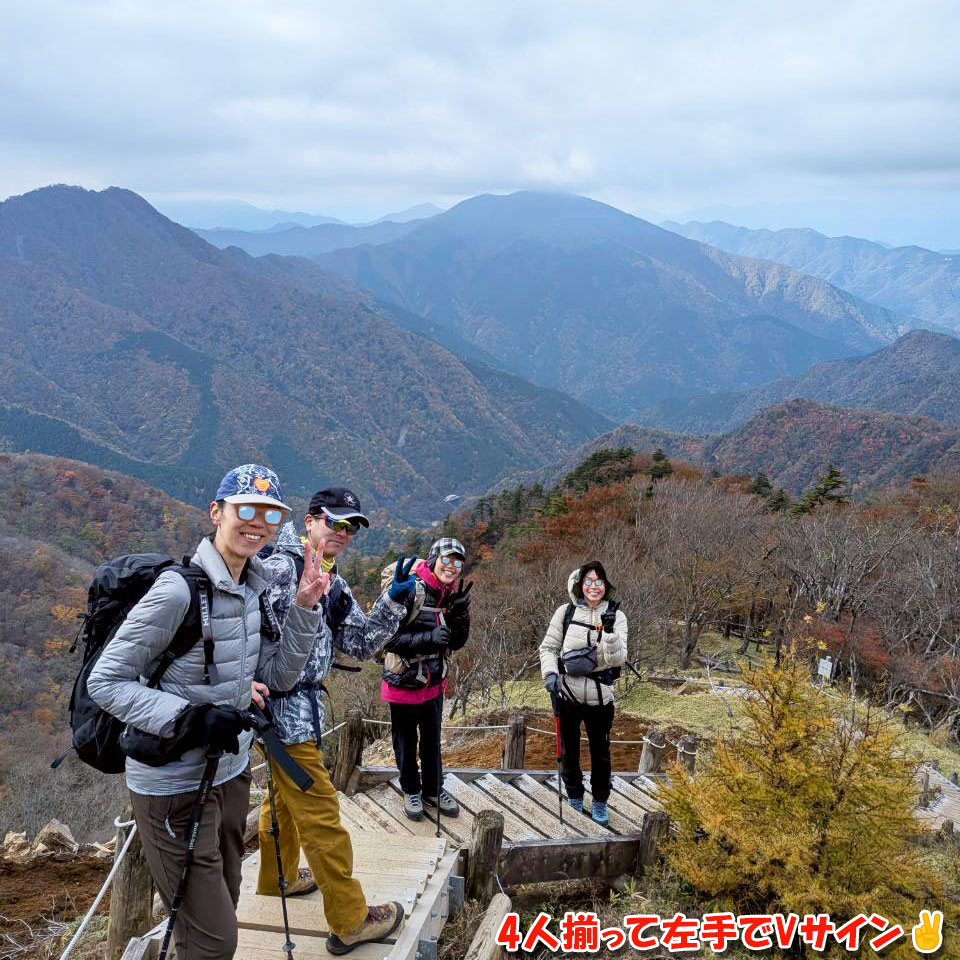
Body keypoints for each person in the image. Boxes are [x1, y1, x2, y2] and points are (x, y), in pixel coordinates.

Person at [88, 464, 326, 960]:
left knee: (216, 912)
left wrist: (305, 606)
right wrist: (194, 718)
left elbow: (277, 679)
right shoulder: (178, 592)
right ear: (217, 512)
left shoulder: (252, 589)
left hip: (230, 773)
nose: (256, 522)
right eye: (246, 509)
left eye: (269, 513)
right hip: (174, 786)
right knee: (217, 940)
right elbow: (105, 682)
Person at [256, 487, 412, 955]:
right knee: (321, 815)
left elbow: (362, 643)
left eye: (350, 527)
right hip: (282, 712)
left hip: (294, 712)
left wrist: (394, 601)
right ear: (310, 520)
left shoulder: (330, 578)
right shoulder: (281, 569)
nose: (342, 533)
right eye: (334, 523)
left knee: (283, 798)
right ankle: (350, 919)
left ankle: (277, 875)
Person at [380, 538, 472, 821]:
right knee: (406, 743)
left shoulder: (450, 595)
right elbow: (386, 637)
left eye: (458, 562)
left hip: (433, 682)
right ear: (433, 559)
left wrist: (461, 617)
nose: (452, 566)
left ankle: (433, 789)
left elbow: (455, 643)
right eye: (447, 559)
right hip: (403, 681)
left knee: (432, 742)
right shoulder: (411, 590)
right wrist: (427, 639)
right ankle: (411, 790)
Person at [539, 561, 627, 825]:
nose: (593, 587)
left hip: (601, 696)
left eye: (598, 581)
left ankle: (600, 800)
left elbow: (619, 659)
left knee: (601, 752)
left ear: (606, 585)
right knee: (569, 750)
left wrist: (610, 633)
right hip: (566, 692)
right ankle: (574, 794)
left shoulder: (617, 615)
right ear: (579, 585)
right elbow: (548, 648)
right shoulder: (565, 612)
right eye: (588, 581)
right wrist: (550, 675)